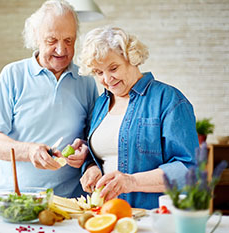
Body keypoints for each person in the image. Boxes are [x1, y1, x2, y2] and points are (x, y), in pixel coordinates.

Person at [0, 0, 99, 197]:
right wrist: (29, 151)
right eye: (52, 41)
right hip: (16, 198)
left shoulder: (86, 81)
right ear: (36, 38)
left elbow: (93, 136)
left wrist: (86, 151)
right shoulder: (13, 75)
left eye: (68, 40)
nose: (61, 50)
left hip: (70, 200)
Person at [78, 26, 198, 209]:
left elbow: (189, 170)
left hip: (153, 215)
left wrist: (132, 181)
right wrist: (90, 168)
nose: (108, 79)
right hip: (106, 214)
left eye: (113, 68)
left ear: (131, 58)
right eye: (99, 72)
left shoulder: (168, 100)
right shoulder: (101, 103)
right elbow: (98, 155)